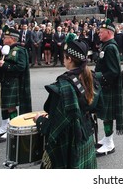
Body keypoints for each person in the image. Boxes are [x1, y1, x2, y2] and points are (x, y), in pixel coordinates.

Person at [33, 35, 101, 169]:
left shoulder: (63, 87)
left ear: (69, 59)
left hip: (70, 145)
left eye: (64, 57)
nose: (63, 60)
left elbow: (55, 127)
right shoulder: (91, 76)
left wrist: (39, 120)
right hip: (86, 137)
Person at [0, 27, 32, 143]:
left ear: (12, 39)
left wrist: (5, 65)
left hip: (12, 82)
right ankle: (4, 126)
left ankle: (13, 128)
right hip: (2, 80)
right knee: (4, 105)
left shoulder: (20, 50)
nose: (3, 38)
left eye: (6, 37)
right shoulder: (4, 49)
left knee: (10, 106)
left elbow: (21, 67)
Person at [94, 19, 123, 156]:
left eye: (101, 32)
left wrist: (97, 76)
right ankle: (106, 138)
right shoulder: (107, 45)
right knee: (106, 116)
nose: (99, 34)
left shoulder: (111, 47)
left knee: (108, 116)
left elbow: (114, 71)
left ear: (108, 32)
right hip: (106, 86)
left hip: (109, 87)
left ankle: (109, 143)